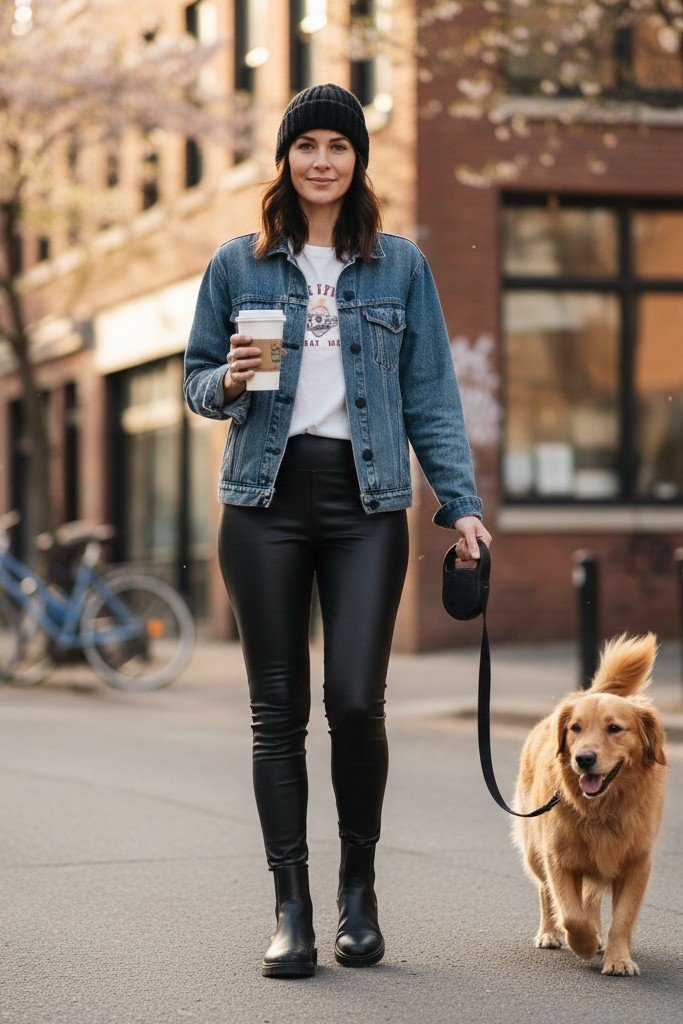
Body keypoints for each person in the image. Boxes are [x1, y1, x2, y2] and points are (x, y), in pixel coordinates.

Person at [184, 83, 492, 979]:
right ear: (285, 158)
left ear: (358, 160)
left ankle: (360, 892)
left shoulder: (400, 266)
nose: (322, 159)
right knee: (276, 715)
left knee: (355, 702)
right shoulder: (236, 265)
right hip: (262, 503)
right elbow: (196, 380)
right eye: (306, 143)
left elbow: (431, 394)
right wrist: (231, 384)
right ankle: (293, 910)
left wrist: (460, 504)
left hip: (366, 505)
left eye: (338, 145)